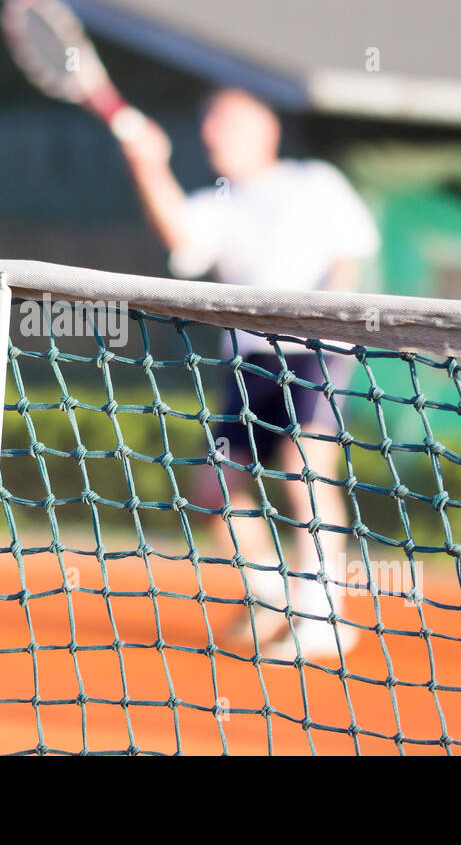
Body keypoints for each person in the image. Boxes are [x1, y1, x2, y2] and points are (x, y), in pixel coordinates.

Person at [117, 87, 379, 661]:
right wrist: (149, 164)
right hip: (249, 359)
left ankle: (325, 614)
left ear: (265, 131)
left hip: (317, 349)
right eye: (209, 127)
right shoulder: (220, 202)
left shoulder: (315, 182)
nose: (213, 137)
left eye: (226, 125)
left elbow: (349, 255)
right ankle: (271, 596)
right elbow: (182, 238)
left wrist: (320, 320)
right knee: (212, 490)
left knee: (304, 468)